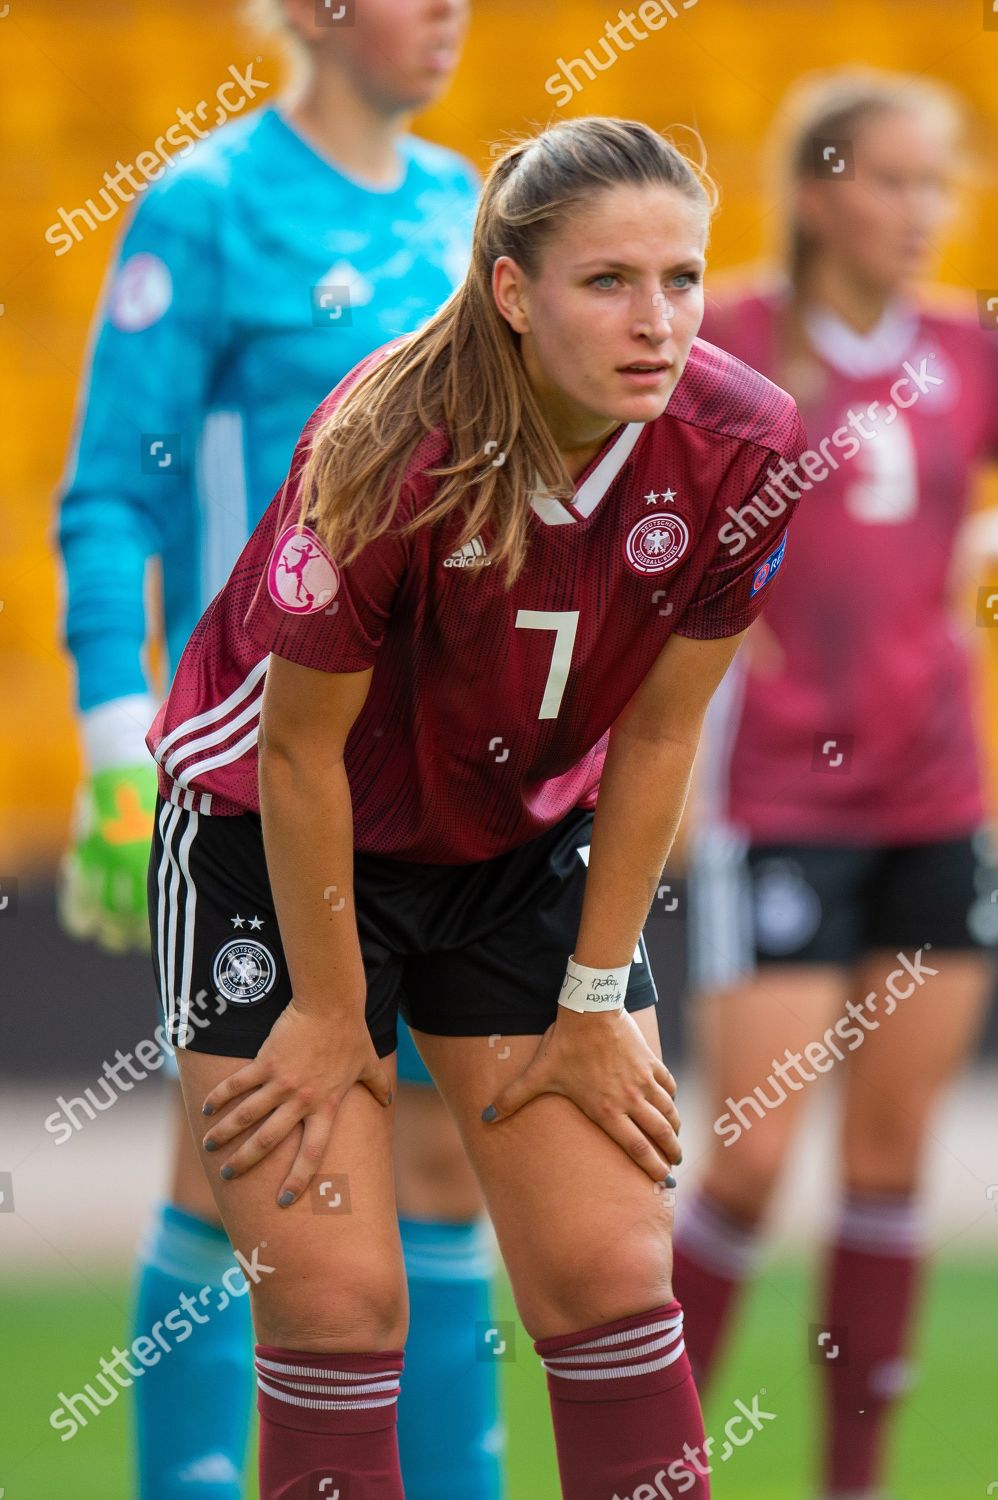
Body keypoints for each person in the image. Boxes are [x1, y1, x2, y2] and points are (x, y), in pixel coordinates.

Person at [145, 114, 807, 1500]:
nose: (658, 320)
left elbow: (661, 728)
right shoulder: (389, 438)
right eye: (607, 281)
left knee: (610, 1280)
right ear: (511, 291)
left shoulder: (744, 441)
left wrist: (592, 995)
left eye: (681, 279)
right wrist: (333, 1018)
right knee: (338, 1310)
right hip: (273, 842)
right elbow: (293, 755)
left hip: (513, 842)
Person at [54, 2, 506, 1496]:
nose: (447, 14)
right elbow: (114, 495)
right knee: (246, 1150)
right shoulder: (207, 205)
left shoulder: (470, 208)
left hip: (435, 771)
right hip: (256, 766)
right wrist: (121, 748)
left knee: (441, 1165)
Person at [674, 68, 998, 1500]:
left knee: (887, 1164)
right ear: (816, 190)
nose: (926, 212)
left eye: (943, 184)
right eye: (896, 179)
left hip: (935, 797)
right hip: (779, 805)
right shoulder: (723, 341)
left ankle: (847, 1490)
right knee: (744, 1169)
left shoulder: (964, 350)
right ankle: (648, 1471)